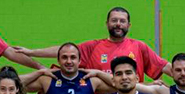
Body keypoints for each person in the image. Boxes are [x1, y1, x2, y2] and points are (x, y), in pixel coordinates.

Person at [15, 7, 171, 82]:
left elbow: (164, 66)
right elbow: (64, 51)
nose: (118, 24)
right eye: (114, 20)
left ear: (129, 25)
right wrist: (32, 52)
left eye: (122, 21)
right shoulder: (94, 46)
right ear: (107, 24)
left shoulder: (139, 46)